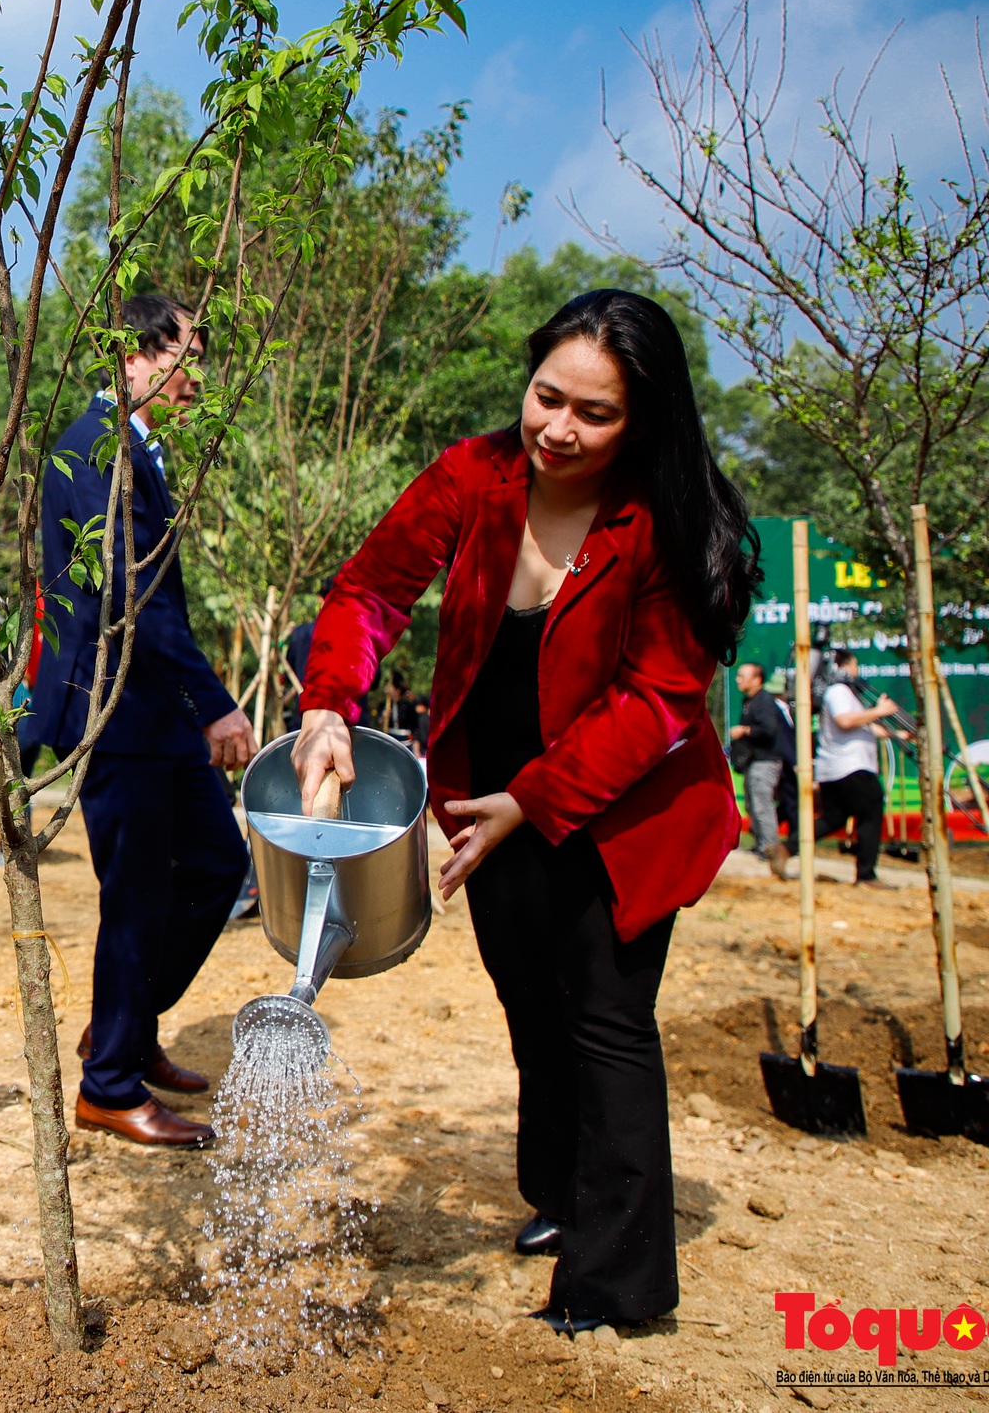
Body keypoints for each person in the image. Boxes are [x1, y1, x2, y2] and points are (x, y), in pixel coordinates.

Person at [294, 290, 759, 1334]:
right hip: (482, 797)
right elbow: (370, 591)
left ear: (640, 420)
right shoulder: (475, 473)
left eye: (592, 415)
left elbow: (655, 699)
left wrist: (537, 799)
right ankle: (561, 1195)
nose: (558, 429)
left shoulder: (667, 518)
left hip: (621, 809)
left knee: (603, 1018)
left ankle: (614, 1284)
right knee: (526, 1004)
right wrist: (328, 701)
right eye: (546, 397)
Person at [22, 293, 256, 1149]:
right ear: (133, 358)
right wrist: (217, 703)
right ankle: (110, 1085)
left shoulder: (136, 450)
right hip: (115, 709)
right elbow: (131, 592)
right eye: (185, 356)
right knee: (137, 895)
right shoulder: (94, 447)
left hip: (154, 712)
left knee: (218, 863)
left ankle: (125, 1026)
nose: (197, 378)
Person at [815, 649, 897, 889]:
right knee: (871, 815)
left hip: (839, 767)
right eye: (855, 666)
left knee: (834, 818)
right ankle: (867, 875)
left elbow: (863, 727)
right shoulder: (839, 691)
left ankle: (786, 848)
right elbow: (846, 721)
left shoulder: (846, 695)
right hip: (851, 767)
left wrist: (898, 734)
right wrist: (879, 712)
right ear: (845, 667)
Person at [730, 661, 794, 879]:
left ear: (757, 680)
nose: (738, 679)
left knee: (762, 805)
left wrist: (745, 730)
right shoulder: (750, 700)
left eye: (742, 676)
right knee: (752, 804)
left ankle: (770, 848)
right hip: (754, 762)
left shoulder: (764, 701)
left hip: (766, 762)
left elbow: (769, 730)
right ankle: (761, 845)